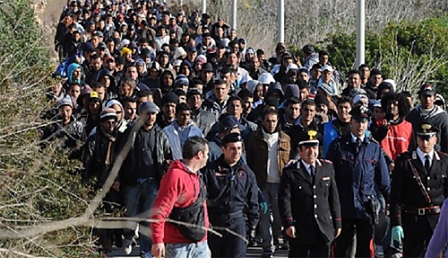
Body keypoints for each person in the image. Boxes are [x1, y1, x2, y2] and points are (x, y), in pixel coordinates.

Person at [326, 105, 390, 257]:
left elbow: (384, 181)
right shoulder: (338, 146)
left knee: (365, 252)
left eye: (364, 121)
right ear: (351, 122)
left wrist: (391, 205)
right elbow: (327, 177)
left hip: (366, 209)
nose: (360, 125)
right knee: (341, 250)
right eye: (357, 121)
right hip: (343, 208)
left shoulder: (374, 148)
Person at [115, 102, 172, 257]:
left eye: (153, 114)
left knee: (149, 219)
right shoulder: (130, 133)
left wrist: (166, 165)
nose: (150, 117)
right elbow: (120, 157)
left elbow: (168, 155)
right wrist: (118, 178)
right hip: (132, 180)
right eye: (147, 113)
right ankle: (128, 237)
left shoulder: (160, 135)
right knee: (131, 213)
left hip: (152, 182)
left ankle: (146, 251)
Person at [278, 129, 341, 257]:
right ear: (299, 150)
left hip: (323, 227)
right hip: (301, 228)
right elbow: (285, 199)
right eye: (307, 148)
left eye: (314, 147)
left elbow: (333, 197)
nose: (311, 152)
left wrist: (337, 222)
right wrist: (288, 223)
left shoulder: (326, 168)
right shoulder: (291, 172)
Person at [390, 122, 448, 257]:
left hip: (437, 221)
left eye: (428, 138)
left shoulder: (444, 161)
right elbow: (396, 195)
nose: (425, 143)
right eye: (421, 138)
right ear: (416, 139)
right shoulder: (405, 161)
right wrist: (396, 222)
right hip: (412, 220)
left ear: (435, 139)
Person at [150, 136, 210, 258]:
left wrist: (205, 242)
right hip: (178, 245)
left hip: (200, 243)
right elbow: (160, 210)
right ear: (199, 155)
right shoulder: (175, 176)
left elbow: (202, 209)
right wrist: (157, 240)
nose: (208, 158)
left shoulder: (198, 176)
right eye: (207, 154)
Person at [202, 133, 259, 257]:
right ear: (223, 149)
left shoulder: (247, 173)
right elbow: (202, 199)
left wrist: (251, 226)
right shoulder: (210, 171)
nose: (236, 152)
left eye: (239, 148)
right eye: (232, 149)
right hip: (215, 223)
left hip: (237, 222)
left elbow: (253, 201)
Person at [246, 109, 291, 257]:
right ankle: (267, 246)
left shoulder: (285, 139)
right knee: (264, 216)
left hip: (280, 183)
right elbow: (250, 162)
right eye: (268, 121)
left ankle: (279, 237)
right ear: (262, 121)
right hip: (262, 184)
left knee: (278, 216)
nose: (271, 124)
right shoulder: (255, 139)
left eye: (273, 121)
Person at [82, 108, 122, 253]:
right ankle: (102, 246)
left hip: (115, 184)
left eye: (113, 122)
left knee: (113, 214)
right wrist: (86, 184)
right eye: (108, 123)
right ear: (102, 124)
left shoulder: (121, 139)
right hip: (98, 183)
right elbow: (87, 164)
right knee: (99, 215)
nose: (111, 126)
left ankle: (112, 240)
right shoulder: (94, 140)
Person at [406, 84, 448, 153]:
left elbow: (446, 141)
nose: (427, 99)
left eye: (429, 96)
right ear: (420, 97)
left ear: (434, 98)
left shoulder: (442, 117)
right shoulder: (412, 115)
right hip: (416, 157)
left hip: (436, 158)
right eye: (424, 96)